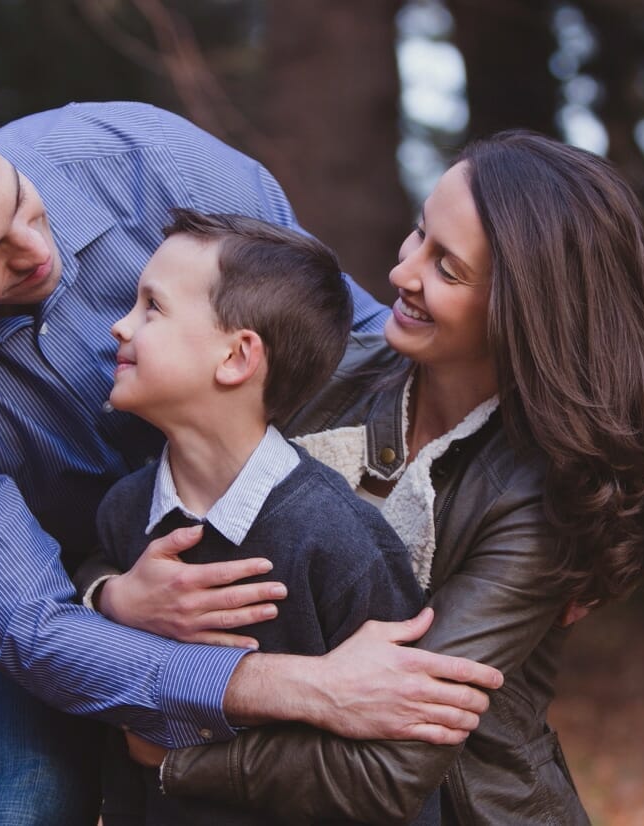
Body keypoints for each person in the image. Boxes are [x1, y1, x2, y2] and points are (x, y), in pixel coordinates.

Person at [0, 80, 502, 824]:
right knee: (22, 808)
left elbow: (354, 344)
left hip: (270, 531)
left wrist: (548, 502)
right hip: (66, 587)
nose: (35, 251)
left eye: (21, 202)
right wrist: (123, 607)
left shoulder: (143, 156)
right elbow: (30, 626)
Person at [110, 132, 644, 824]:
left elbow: (395, 761)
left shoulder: (540, 496)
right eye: (419, 233)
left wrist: (177, 758)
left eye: (446, 268)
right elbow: (146, 510)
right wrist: (118, 595)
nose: (402, 273)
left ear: (521, 309)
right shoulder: (323, 376)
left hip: (460, 807)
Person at [97, 208, 437, 825]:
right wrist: (111, 597)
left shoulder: (341, 543)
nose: (120, 326)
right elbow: (121, 741)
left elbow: (403, 771)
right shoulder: (125, 511)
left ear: (235, 357)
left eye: (153, 307)